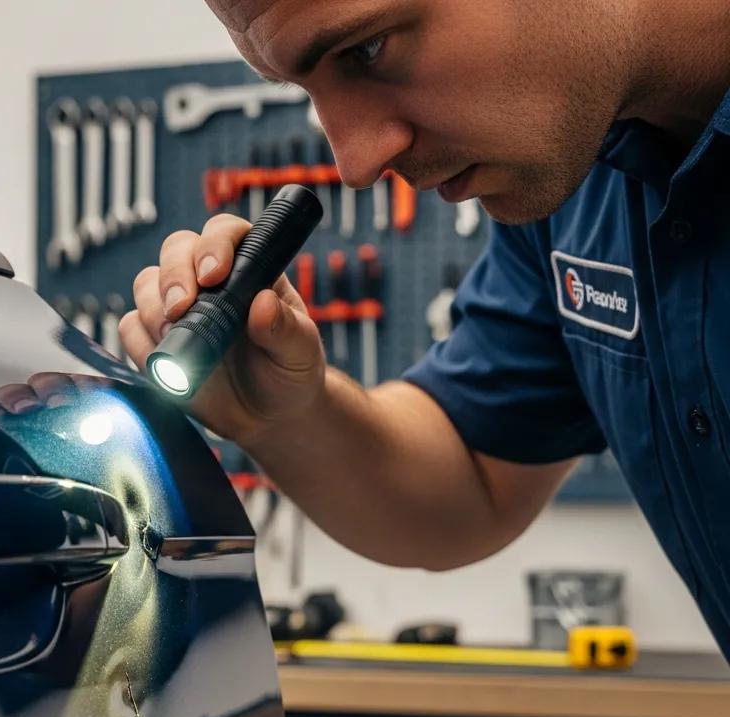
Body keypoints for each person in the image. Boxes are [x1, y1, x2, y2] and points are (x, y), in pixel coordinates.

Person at [117, 0, 730, 656]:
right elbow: (471, 476)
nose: (354, 162)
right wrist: (284, 415)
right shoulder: (579, 178)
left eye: (368, 50)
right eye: (306, 89)